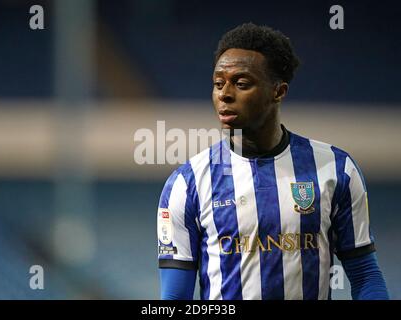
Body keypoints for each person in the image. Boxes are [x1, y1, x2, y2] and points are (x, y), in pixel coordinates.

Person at [157, 22, 389, 300]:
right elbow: (174, 299)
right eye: (218, 83)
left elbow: (365, 275)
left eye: (241, 84)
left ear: (278, 91)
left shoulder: (335, 169)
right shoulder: (187, 183)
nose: (225, 94)